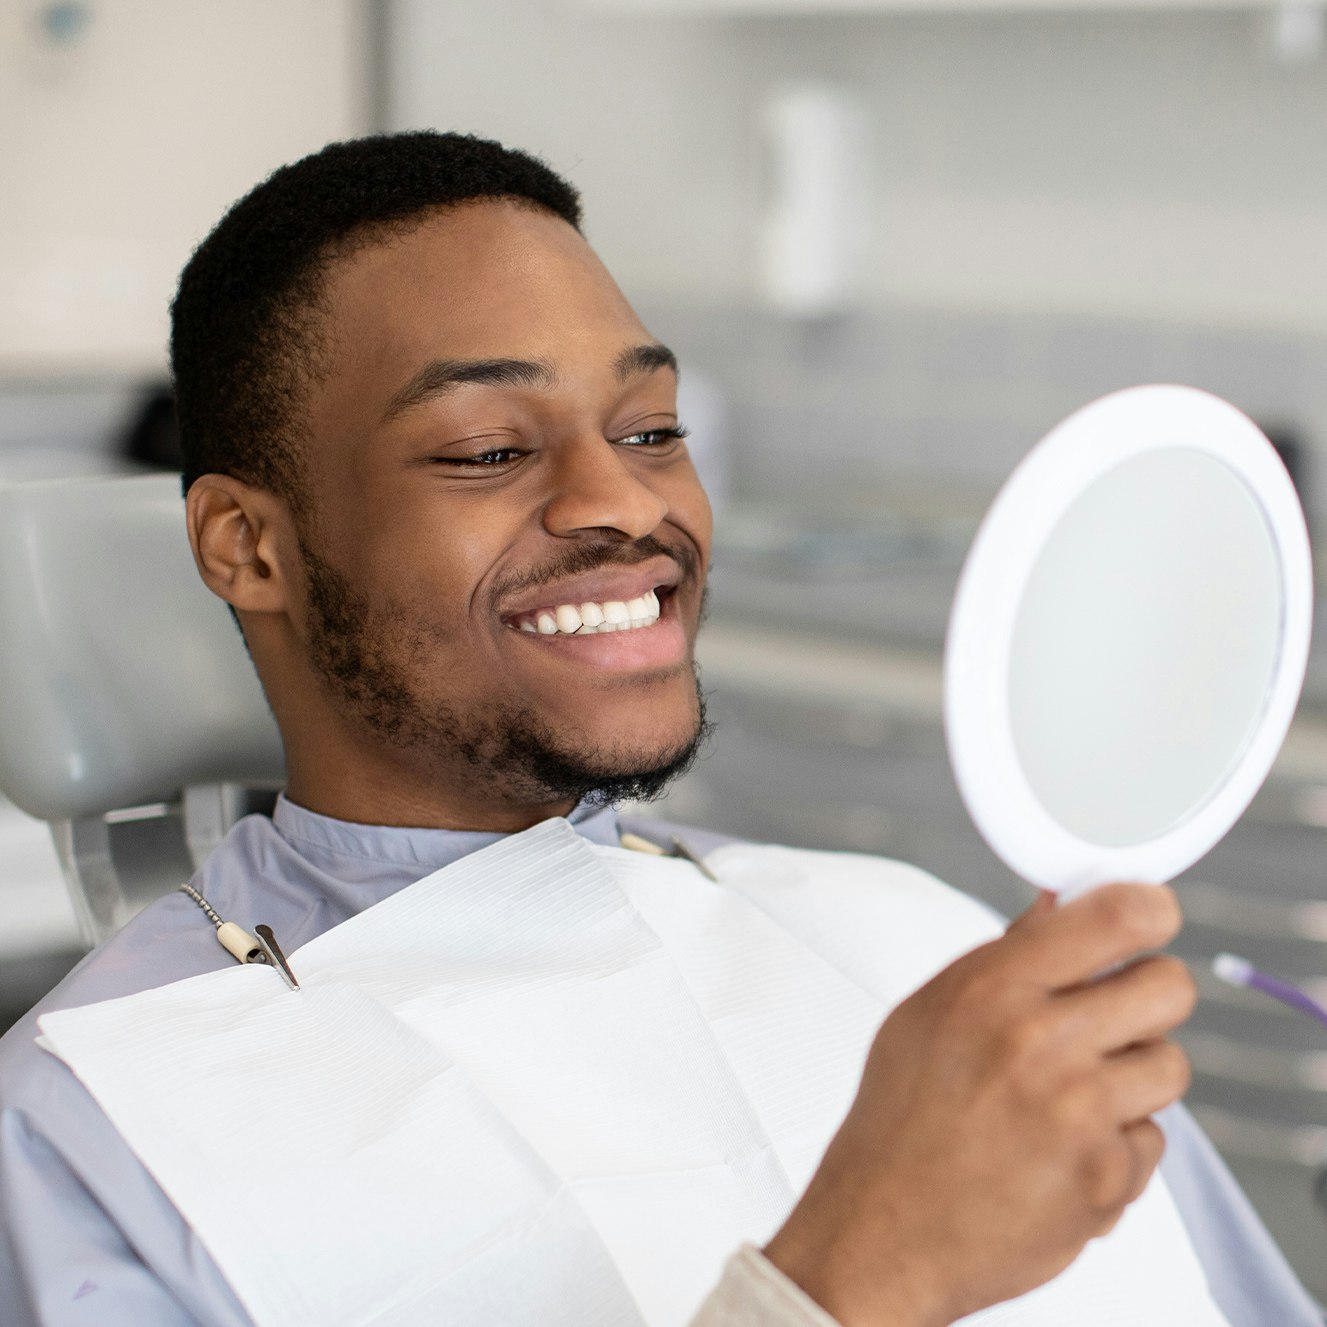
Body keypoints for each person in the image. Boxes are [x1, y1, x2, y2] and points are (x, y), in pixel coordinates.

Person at [0, 132, 1319, 1327]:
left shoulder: (919, 945)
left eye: (650, 427)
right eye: (485, 452)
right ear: (249, 546)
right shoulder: (91, 1136)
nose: (623, 500)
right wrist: (857, 1279)